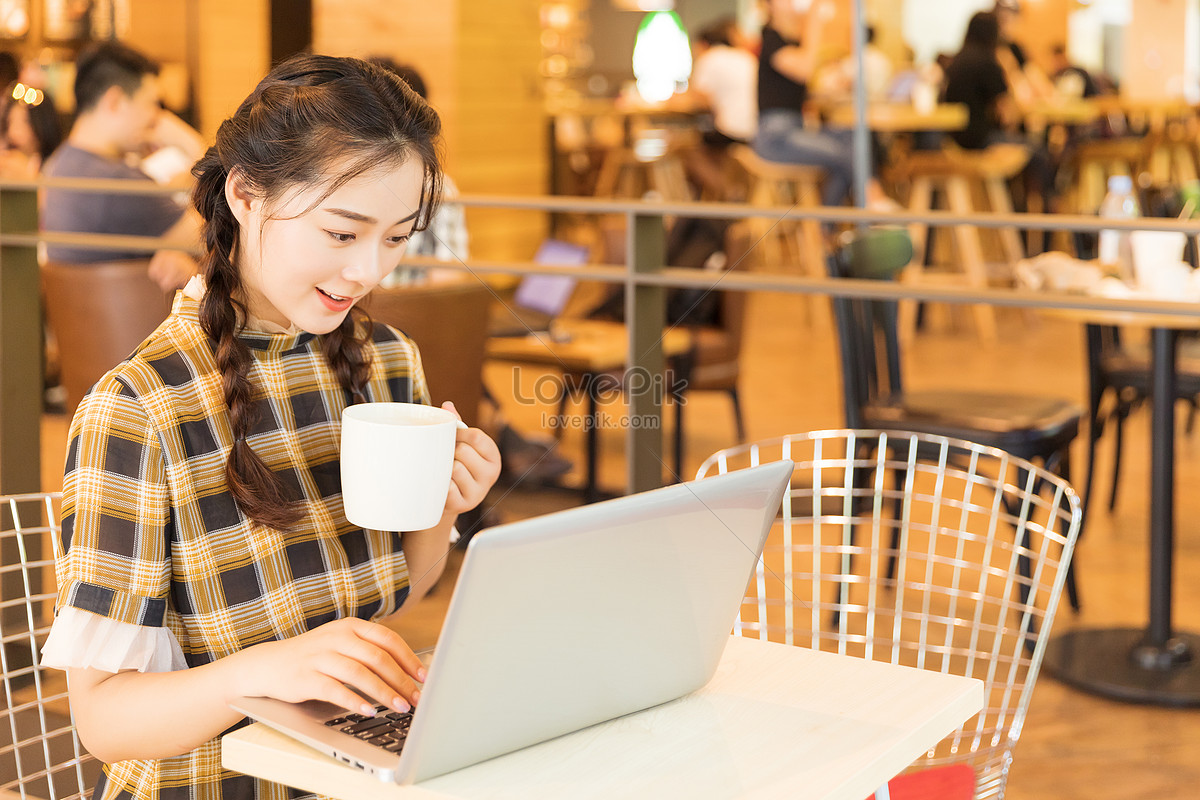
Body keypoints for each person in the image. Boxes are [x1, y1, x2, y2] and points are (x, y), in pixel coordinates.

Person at [40, 54, 502, 798]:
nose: (369, 273)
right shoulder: (139, 408)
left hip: (350, 773)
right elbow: (104, 721)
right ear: (247, 194)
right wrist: (266, 671)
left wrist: (443, 506)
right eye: (343, 234)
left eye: (396, 237)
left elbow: (390, 594)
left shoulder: (386, 362)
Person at [41, 41, 205, 291]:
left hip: (89, 325)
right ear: (114, 101)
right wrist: (195, 146)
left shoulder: (60, 165)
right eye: (152, 103)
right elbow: (214, 236)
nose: (156, 117)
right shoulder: (115, 183)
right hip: (141, 327)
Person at [753, 0, 892, 208]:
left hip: (795, 128)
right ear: (769, 6)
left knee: (855, 137)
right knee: (844, 154)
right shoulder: (770, 37)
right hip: (775, 136)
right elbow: (805, 70)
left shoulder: (790, 40)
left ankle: (828, 227)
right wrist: (814, 22)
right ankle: (873, 198)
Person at [0, 81, 63, 177]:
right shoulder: (5, 162)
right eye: (10, 122)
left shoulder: (56, 166)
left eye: (25, 121)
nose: (13, 131)